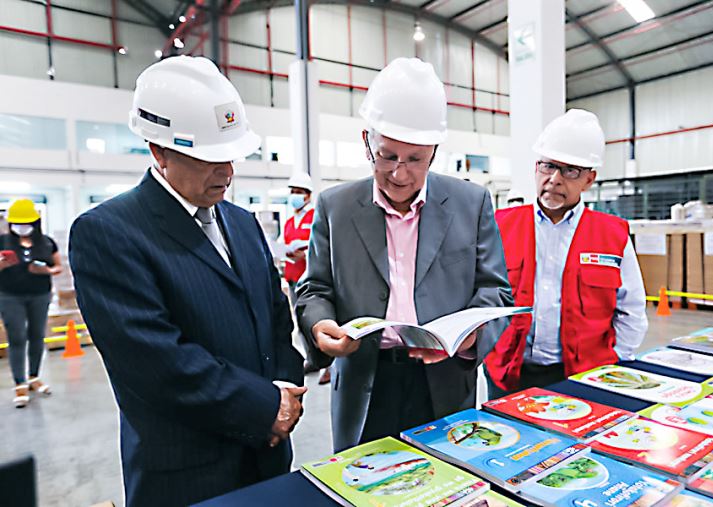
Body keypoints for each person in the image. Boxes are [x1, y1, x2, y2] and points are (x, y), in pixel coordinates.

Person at [68, 56, 305, 507]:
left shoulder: (242, 223)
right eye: (209, 159)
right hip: (189, 474)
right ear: (159, 151)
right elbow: (156, 362)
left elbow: (276, 316)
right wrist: (263, 407)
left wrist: (284, 395)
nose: (227, 172)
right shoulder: (110, 233)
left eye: (231, 156)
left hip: (268, 454)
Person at [296, 57, 512, 452]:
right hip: (365, 383)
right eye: (387, 156)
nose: (399, 173)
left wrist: (470, 338)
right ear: (366, 141)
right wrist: (320, 325)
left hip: (444, 383)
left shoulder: (470, 203)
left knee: (450, 477)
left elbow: (495, 291)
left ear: (434, 151)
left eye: (415, 159)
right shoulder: (335, 207)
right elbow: (315, 289)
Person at [484, 109, 648, 398]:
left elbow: (631, 309)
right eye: (548, 166)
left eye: (570, 170)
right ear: (536, 167)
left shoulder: (612, 235)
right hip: (508, 375)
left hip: (585, 377)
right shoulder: (500, 225)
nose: (555, 179)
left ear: (589, 179)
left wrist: (616, 361)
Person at [0, 199, 61, 408]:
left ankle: (34, 376)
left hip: (40, 295)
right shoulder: (3, 242)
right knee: (17, 337)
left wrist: (46, 270)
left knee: (37, 335)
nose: (21, 227)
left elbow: (58, 267)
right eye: (17, 223)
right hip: (9, 296)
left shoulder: (46, 242)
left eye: (25, 223)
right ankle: (20, 383)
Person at [281, 172, 330, 385]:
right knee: (301, 322)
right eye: (292, 192)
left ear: (308, 195)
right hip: (293, 277)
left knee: (318, 320)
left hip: (311, 279)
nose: (295, 196)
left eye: (299, 192)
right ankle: (312, 358)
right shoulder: (289, 222)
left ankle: (328, 364)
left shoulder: (315, 217)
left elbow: (321, 247)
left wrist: (305, 253)